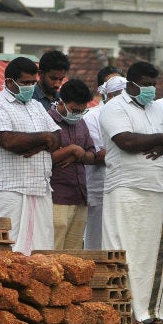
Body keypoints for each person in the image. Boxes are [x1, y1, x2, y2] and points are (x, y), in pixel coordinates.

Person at [100, 61, 163, 324]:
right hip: (125, 189)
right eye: (145, 85)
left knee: (152, 255)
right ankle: (125, 314)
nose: (150, 89)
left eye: (153, 84)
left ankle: (151, 312)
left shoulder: (156, 108)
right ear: (131, 84)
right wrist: (159, 139)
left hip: (157, 188)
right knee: (125, 252)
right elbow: (126, 141)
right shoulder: (114, 108)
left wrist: (161, 141)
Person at [0, 57, 61, 255]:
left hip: (40, 188)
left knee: (41, 251)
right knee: (7, 251)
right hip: (11, 189)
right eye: (25, 83)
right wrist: (43, 138)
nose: (30, 87)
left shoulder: (35, 106)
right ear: (10, 82)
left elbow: (57, 137)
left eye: (33, 83)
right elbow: (8, 141)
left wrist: (40, 141)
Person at [48, 79, 96, 249]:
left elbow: (92, 155)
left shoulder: (80, 122)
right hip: (56, 197)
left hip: (79, 196)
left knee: (74, 257)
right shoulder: (46, 121)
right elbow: (42, 158)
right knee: (52, 253)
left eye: (82, 111)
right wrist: (72, 149)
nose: (78, 114)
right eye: (75, 110)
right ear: (61, 102)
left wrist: (76, 155)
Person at [83, 75, 126, 250]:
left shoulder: (128, 115)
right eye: (119, 95)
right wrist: (129, 147)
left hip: (124, 184)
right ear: (108, 95)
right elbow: (96, 154)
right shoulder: (92, 117)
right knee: (95, 237)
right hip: (98, 186)